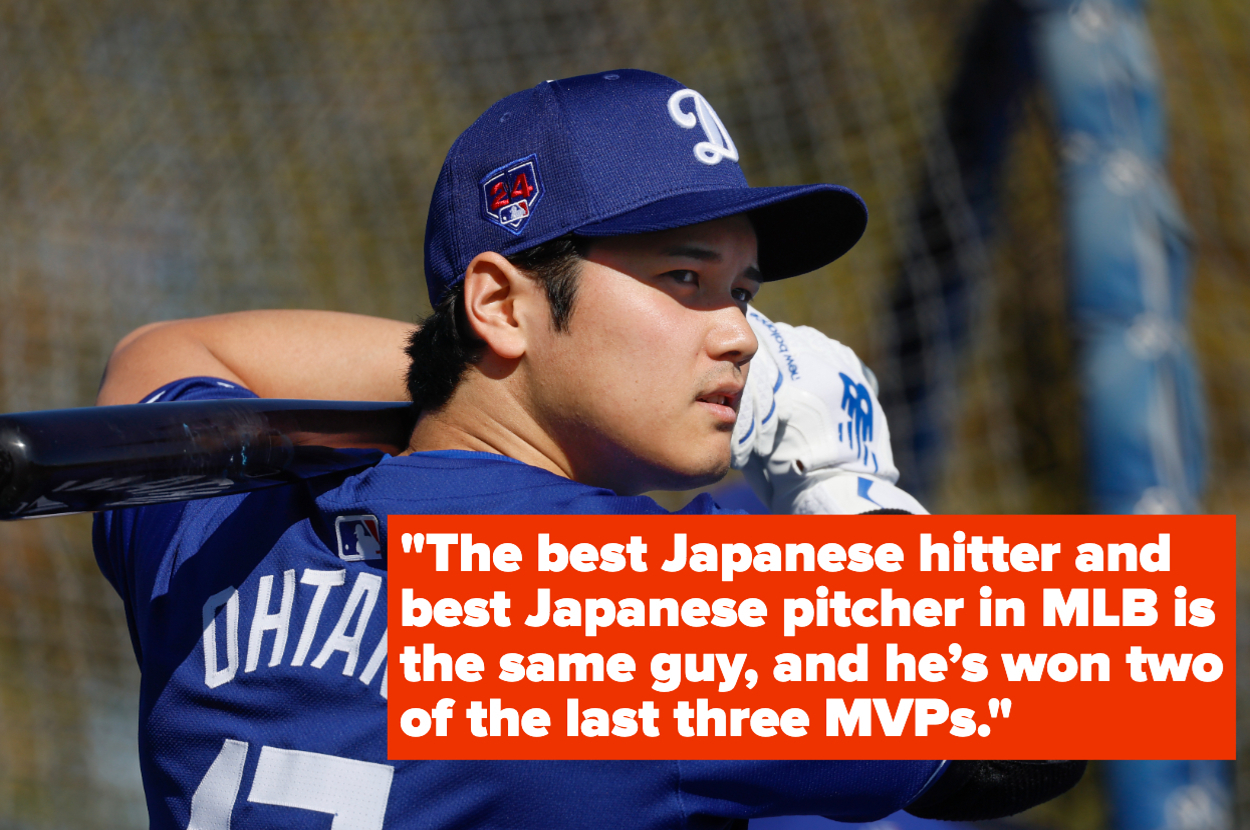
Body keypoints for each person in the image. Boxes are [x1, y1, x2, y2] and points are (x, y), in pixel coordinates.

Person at [93, 69, 1081, 829]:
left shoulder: (219, 519)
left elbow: (166, 352)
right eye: (683, 277)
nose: (743, 335)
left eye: (741, 291)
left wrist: (464, 369)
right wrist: (845, 489)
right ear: (497, 301)